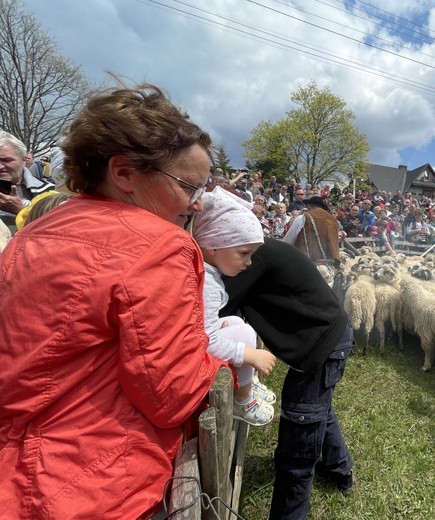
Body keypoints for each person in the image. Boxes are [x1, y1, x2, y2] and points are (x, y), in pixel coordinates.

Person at [0, 82, 226, 519]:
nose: (196, 205)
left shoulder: (32, 233)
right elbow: (170, 395)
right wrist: (222, 365)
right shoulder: (160, 247)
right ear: (123, 173)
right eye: (188, 187)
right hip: (91, 480)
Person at [219, 238, 354, 520]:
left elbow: (218, 309)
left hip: (321, 344)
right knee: (318, 408)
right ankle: (340, 471)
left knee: (299, 436)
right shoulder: (255, 249)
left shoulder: (249, 255)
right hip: (330, 336)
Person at [193, 187, 277, 426]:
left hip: (194, 344)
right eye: (244, 253)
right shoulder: (207, 283)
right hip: (193, 354)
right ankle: (243, 400)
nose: (249, 263)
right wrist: (250, 355)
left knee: (237, 322)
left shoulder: (208, 273)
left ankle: (247, 384)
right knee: (244, 332)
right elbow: (205, 339)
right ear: (213, 245)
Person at [0, 131, 55, 231]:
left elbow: (57, 229)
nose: (0, 166)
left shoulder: (49, 191)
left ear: (24, 161)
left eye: (6, 160)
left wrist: (20, 210)